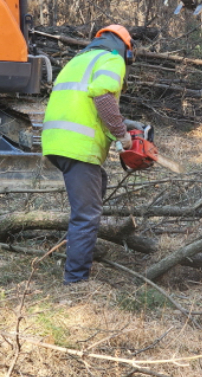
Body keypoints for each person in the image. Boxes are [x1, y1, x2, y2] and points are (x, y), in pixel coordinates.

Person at [42, 24, 136, 285]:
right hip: (78, 146)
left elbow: (86, 108)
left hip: (56, 141)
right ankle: (75, 282)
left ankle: (83, 250)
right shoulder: (112, 59)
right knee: (86, 215)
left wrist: (124, 125)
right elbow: (103, 98)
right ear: (127, 52)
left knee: (98, 186)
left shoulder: (79, 61)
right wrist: (121, 135)